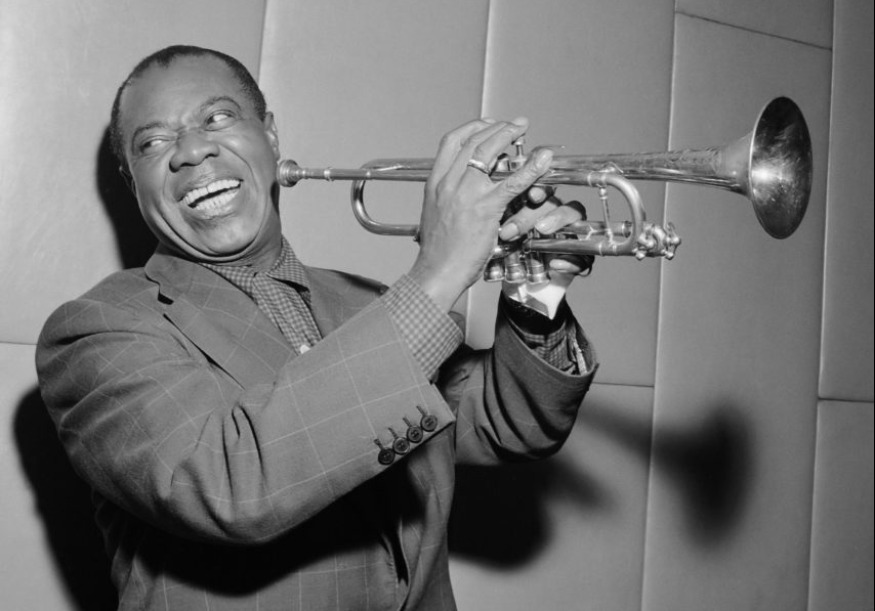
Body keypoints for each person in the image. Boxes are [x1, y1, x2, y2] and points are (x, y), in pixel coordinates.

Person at [36, 45, 597, 611]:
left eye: (218, 117)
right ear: (132, 181)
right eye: (153, 143)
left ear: (271, 136)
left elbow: (511, 426)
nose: (192, 150)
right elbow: (224, 486)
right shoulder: (96, 332)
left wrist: (536, 292)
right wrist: (439, 271)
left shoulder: (371, 305)